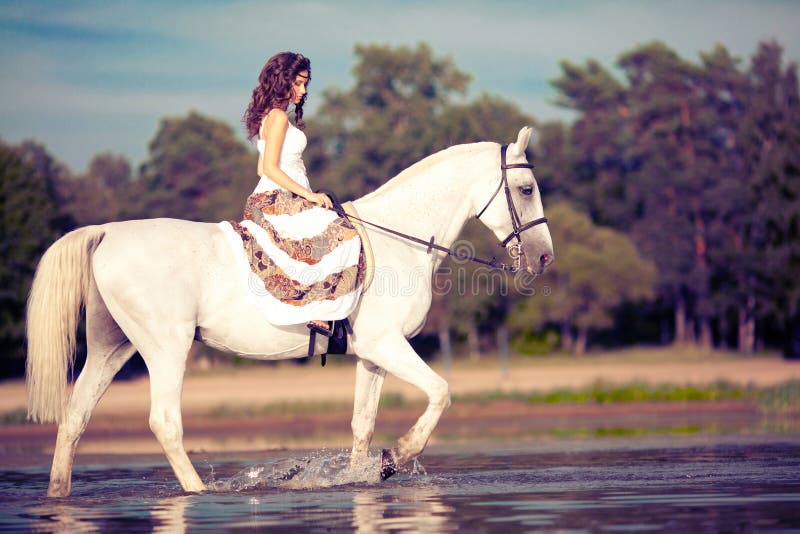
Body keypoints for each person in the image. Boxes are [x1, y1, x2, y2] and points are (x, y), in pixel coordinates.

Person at [227, 52, 363, 337]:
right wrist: (309, 196)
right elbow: (268, 168)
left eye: (305, 85)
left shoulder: (272, 118)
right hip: (278, 199)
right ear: (282, 82)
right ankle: (321, 312)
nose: (303, 91)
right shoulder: (277, 117)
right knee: (345, 237)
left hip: (276, 195)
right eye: (298, 84)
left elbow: (258, 168)